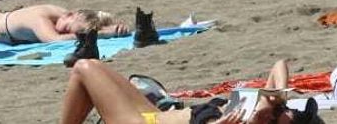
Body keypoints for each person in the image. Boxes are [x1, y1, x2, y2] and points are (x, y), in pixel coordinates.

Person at [57, 58, 314, 124]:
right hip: (153, 114)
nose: (271, 113)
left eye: (275, 119)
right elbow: (280, 64)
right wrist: (279, 94)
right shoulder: (258, 107)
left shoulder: (237, 119)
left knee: (84, 67)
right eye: (284, 109)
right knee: (96, 68)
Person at [0, 6, 127, 45]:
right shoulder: (39, 18)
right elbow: (55, 40)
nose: (64, 33)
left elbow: (84, 27)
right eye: (67, 31)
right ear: (70, 15)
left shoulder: (65, 16)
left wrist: (110, 28)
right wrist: (104, 34)